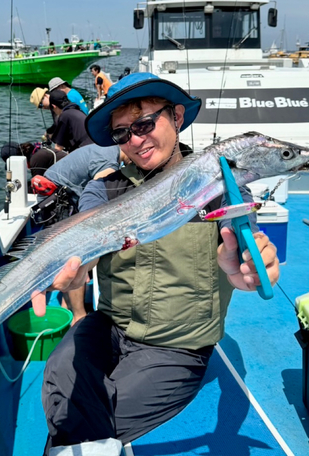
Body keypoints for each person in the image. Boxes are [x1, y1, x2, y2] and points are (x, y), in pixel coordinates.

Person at [31, 73, 280, 455]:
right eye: (121, 134)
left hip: (177, 347)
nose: (135, 140)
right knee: (60, 374)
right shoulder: (105, 187)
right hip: (109, 327)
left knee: (78, 420)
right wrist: (76, 268)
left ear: (177, 117)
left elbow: (241, 230)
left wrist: (247, 261)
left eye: (144, 123)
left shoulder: (218, 183)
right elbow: (88, 242)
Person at [40, 144, 129, 324]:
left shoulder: (106, 149)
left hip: (58, 192)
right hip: (56, 199)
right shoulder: (108, 162)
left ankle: (66, 305)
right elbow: (103, 197)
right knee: (76, 254)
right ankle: (79, 315)